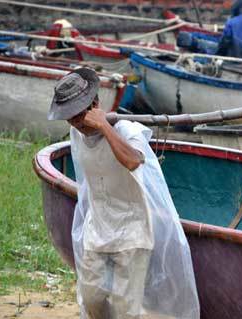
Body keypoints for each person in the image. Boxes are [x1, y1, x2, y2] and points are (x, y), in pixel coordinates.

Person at [48, 68, 200, 319]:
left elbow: (133, 161)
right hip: (97, 228)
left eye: (79, 117)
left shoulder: (128, 130)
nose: (76, 124)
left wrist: (105, 127)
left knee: (125, 308)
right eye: (70, 119)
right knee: (91, 298)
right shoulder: (76, 133)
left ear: (95, 105)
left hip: (132, 231)